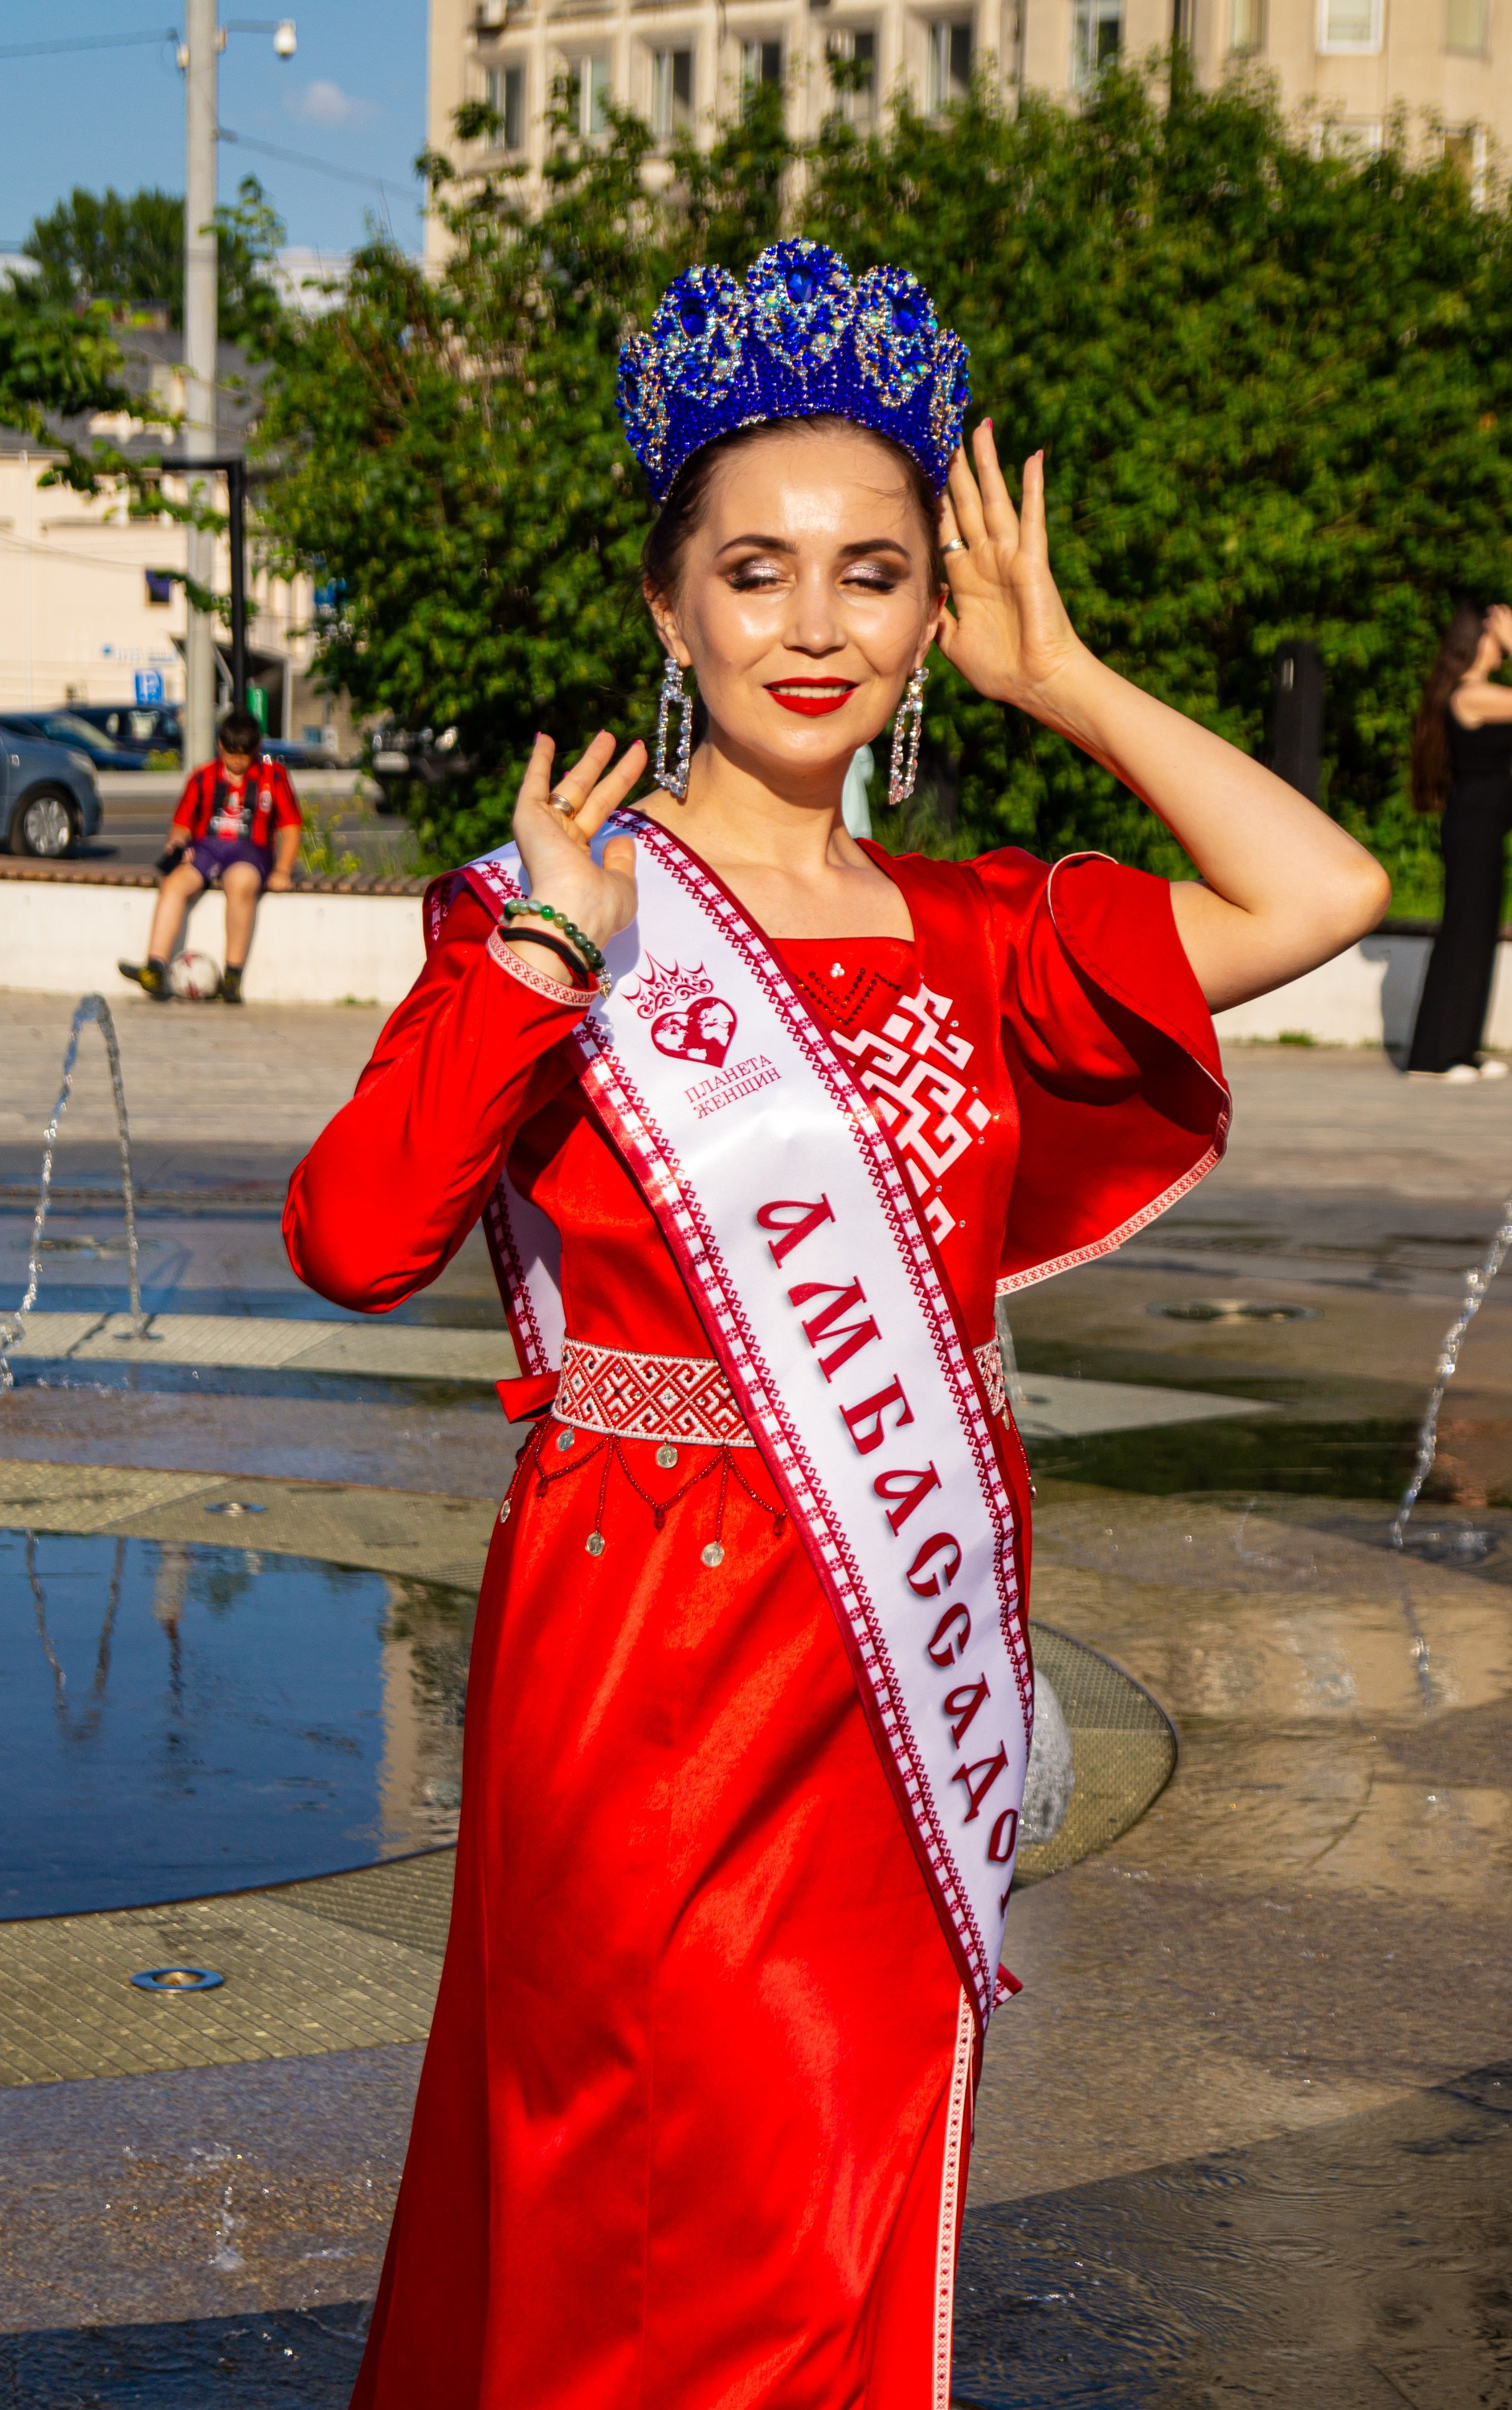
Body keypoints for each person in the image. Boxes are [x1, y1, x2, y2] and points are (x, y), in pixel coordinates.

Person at [284, 246, 1389, 2410]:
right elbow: (348, 1241)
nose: (817, 625)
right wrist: (531, 957)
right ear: (668, 613)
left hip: (893, 1661)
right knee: (638, 2182)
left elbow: (1320, 898)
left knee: (849, 2166)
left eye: (873, 575)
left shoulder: (992, 932)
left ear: (921, 621)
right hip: (635, 1647)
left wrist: (1063, 677)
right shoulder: (562, 908)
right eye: (759, 571)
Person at [1405, 602, 1512, 1081]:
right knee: (1463, 936)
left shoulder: (1472, 695)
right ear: (1477, 642)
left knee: (1478, 936)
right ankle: (1433, 1056)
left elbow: (1480, 769)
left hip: (1483, 822)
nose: (1502, 646)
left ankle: (1462, 1049)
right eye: (1494, 638)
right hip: (1472, 829)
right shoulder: (1470, 694)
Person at [118, 707, 301, 1003]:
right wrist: (177, 845)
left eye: (244, 754)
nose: (237, 761)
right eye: (231, 753)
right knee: (173, 885)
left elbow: (291, 828)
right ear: (220, 746)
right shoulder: (202, 777)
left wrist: (282, 870)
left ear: (256, 749)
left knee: (240, 883)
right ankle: (154, 966)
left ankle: (232, 974)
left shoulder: (273, 777)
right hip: (206, 848)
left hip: (251, 852)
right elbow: (181, 825)